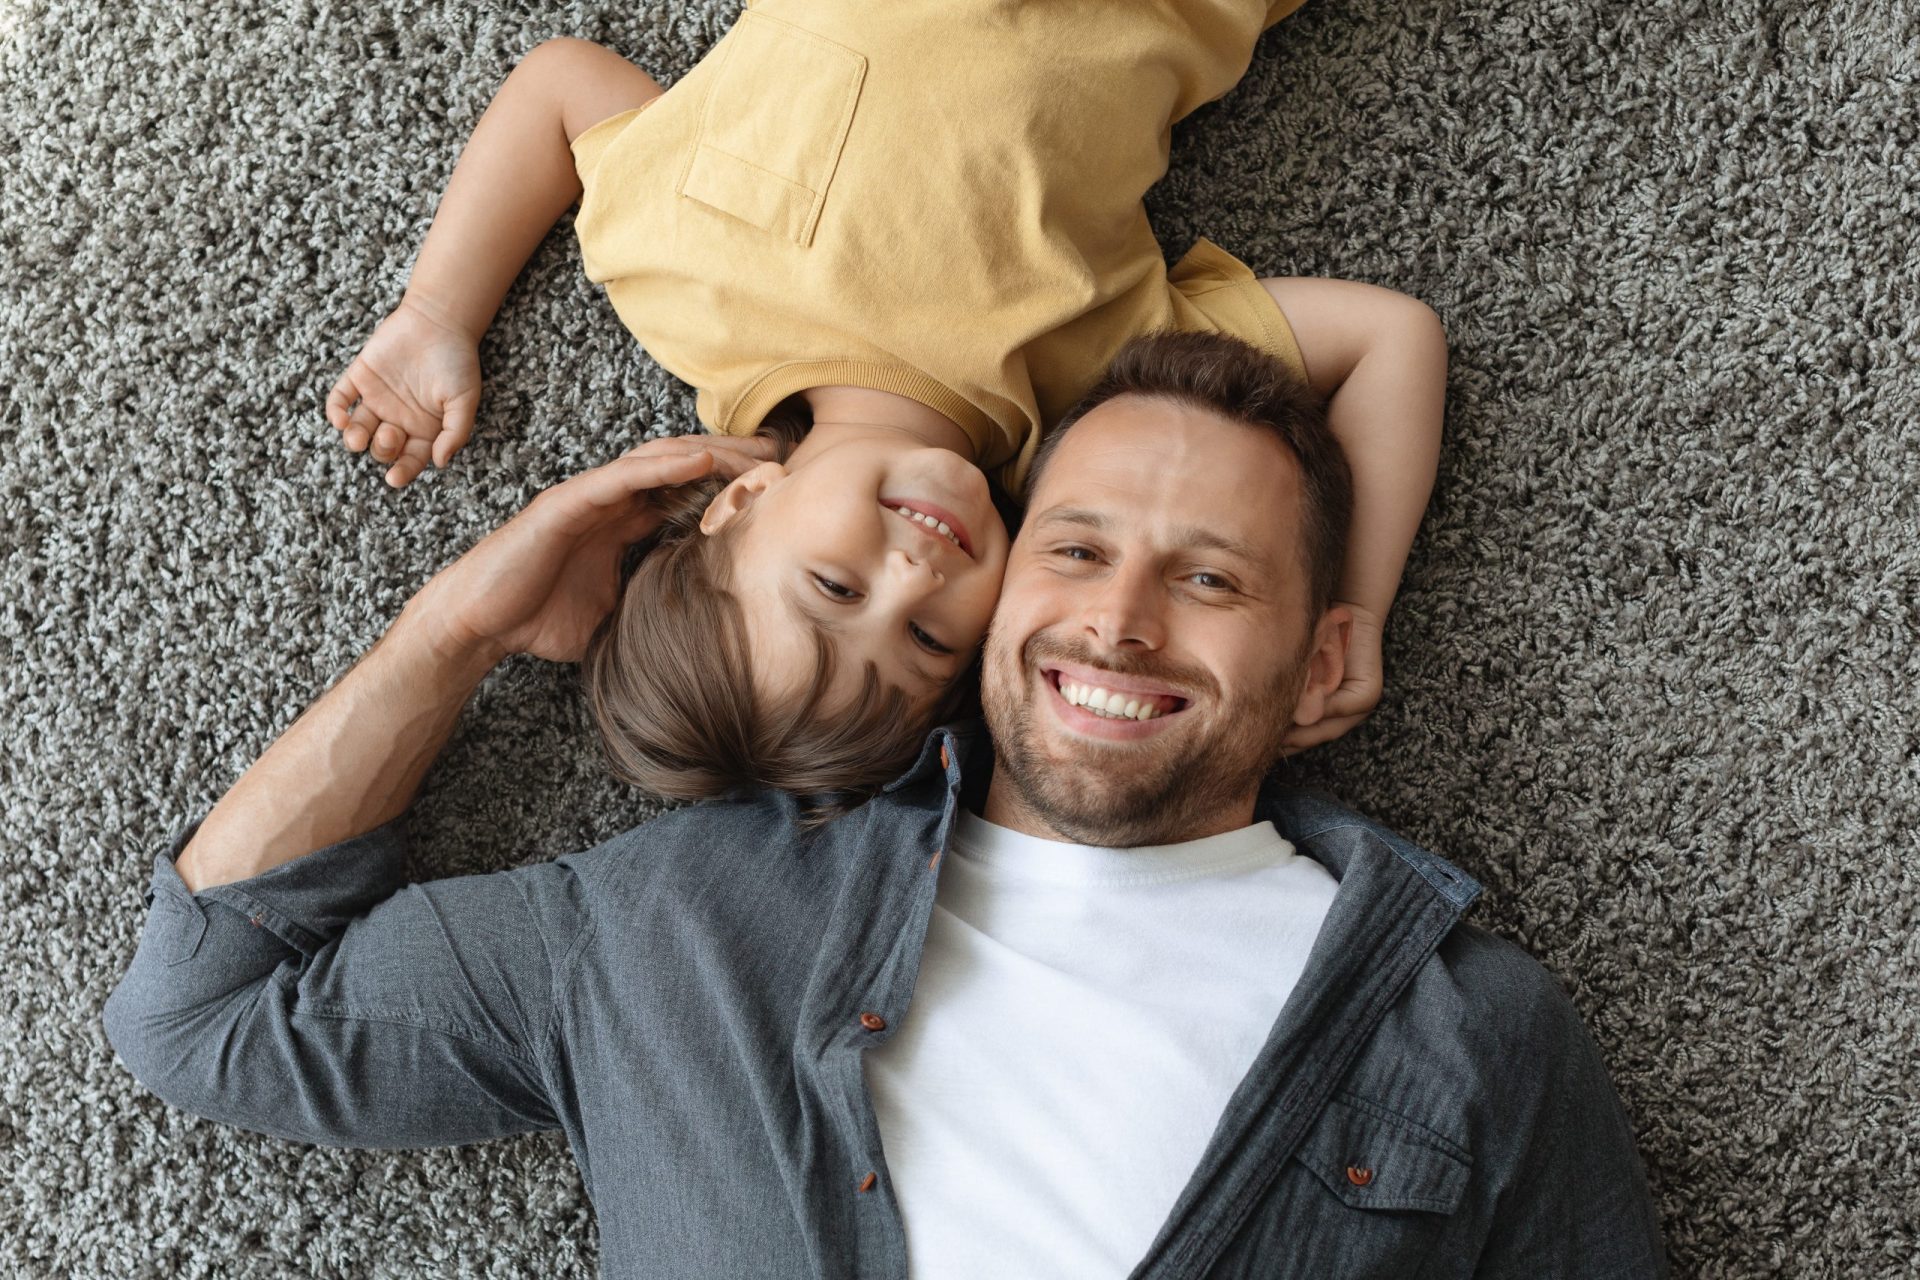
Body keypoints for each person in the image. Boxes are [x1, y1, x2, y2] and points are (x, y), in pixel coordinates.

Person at [107, 331, 1667, 1277]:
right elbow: (204, 1012)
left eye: (1207, 579)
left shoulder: (1476, 1035)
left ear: (1327, 654)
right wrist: (453, 629)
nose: (1118, 621)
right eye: (1070, 551)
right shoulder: (671, 921)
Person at [324, 0, 1449, 805]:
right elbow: (1390, 341)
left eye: (833, 585)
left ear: (741, 501)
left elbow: (564, 85)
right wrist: (1346, 608)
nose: (913, 573)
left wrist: (437, 313)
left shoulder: (683, 289)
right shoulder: (1097, 396)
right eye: (922, 636)